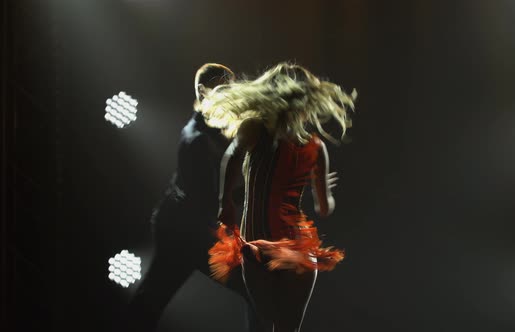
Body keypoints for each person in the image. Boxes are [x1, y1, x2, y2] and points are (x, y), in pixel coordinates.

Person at [203, 63, 355, 332]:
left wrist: (224, 202)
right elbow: (323, 208)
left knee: (271, 320)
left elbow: (231, 158)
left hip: (267, 246)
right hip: (291, 248)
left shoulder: (255, 130)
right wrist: (327, 193)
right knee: (282, 325)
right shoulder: (313, 146)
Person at [123, 63, 256, 331]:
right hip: (185, 232)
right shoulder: (198, 140)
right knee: (254, 289)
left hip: (178, 226)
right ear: (203, 92)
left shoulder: (206, 131)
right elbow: (214, 201)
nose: (231, 96)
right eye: (224, 89)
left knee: (150, 302)